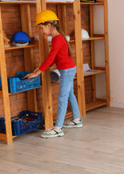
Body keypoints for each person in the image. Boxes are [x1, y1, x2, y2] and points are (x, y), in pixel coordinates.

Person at [25, 10, 82, 138]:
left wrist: (38, 71)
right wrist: (39, 69)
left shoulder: (57, 39)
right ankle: (77, 119)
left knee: (62, 98)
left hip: (67, 71)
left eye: (41, 28)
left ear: (49, 26)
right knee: (69, 95)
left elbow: (51, 58)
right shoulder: (58, 38)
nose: (41, 31)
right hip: (68, 69)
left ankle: (57, 129)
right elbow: (55, 59)